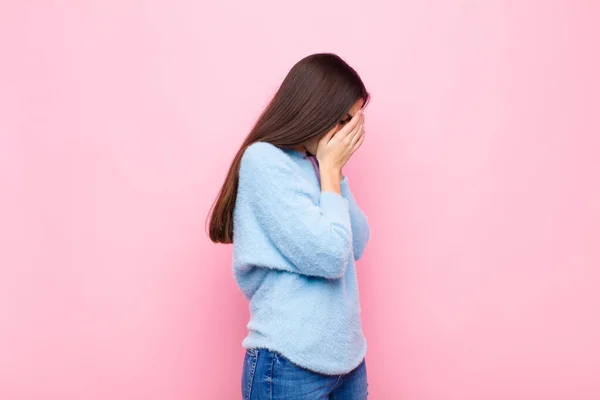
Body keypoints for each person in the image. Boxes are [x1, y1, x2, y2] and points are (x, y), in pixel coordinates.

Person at [209, 53, 371, 399]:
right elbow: (328, 257)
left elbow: (355, 243)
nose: (347, 136)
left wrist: (335, 174)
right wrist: (329, 172)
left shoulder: (318, 165)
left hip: (348, 362)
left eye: (355, 123)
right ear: (316, 108)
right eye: (343, 120)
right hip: (289, 364)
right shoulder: (264, 161)